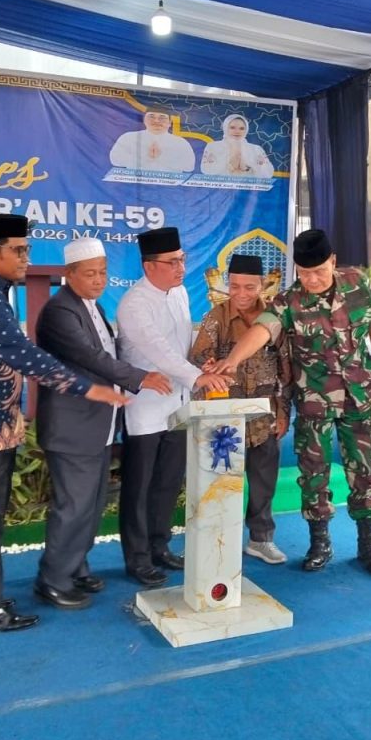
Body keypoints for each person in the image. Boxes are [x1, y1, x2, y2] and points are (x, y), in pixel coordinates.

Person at [0, 214, 127, 632]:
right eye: (18, 250)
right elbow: (21, 353)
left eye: (28, 249)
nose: (26, 258)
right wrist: (87, 388)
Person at [208, 229, 371, 575]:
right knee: (313, 473)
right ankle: (319, 543)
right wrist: (232, 361)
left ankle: (369, 544)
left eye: (319, 272)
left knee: (365, 470)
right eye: (304, 273)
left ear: (333, 262)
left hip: (358, 395)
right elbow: (262, 330)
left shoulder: (358, 284)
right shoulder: (289, 300)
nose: (311, 280)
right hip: (314, 400)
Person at [33, 238, 173, 609]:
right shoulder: (60, 311)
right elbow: (92, 358)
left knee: (92, 505)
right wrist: (141, 377)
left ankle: (75, 567)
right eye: (90, 274)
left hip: (97, 424)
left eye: (103, 272)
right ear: (69, 274)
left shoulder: (91, 306)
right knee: (73, 506)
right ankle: (53, 580)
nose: (99, 280)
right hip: (72, 428)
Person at [116, 227, 231, 587]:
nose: (181, 268)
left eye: (182, 259)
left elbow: (182, 344)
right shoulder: (133, 304)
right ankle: (137, 559)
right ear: (149, 266)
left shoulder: (179, 292)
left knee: (168, 482)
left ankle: (159, 546)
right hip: (144, 408)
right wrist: (198, 377)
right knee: (140, 487)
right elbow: (159, 351)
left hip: (178, 404)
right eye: (172, 262)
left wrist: (201, 362)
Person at [190, 253, 293, 564]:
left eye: (249, 287)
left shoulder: (274, 318)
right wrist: (206, 364)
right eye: (234, 286)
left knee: (264, 482)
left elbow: (286, 370)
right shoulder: (216, 318)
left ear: (261, 285)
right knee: (220, 481)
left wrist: (283, 411)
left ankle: (261, 539)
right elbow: (197, 360)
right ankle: (216, 539)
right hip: (224, 417)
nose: (241, 294)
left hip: (264, 416)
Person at [109, 104, 196, 173]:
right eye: (151, 117)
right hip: (135, 184)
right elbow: (115, 160)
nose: (156, 121)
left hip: (169, 186)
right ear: (144, 120)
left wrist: (162, 158)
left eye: (162, 118)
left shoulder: (180, 142)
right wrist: (146, 157)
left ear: (170, 123)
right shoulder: (128, 137)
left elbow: (189, 167)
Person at [200, 114, 274, 178]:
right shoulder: (213, 146)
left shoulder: (256, 149)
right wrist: (230, 161)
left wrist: (248, 165)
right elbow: (206, 170)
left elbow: (268, 174)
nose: (237, 131)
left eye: (241, 128)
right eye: (232, 127)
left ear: (246, 130)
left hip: (247, 188)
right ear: (225, 128)